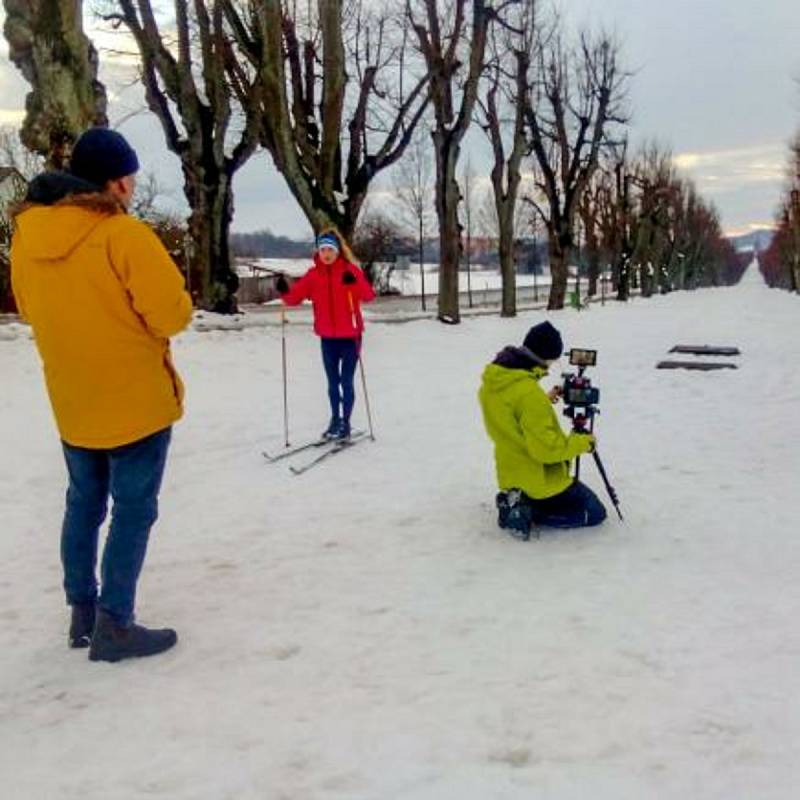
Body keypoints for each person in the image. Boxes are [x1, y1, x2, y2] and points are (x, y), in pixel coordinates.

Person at [10, 127, 193, 662]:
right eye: (129, 178)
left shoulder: (27, 236)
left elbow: (26, 306)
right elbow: (172, 314)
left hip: (71, 398)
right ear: (112, 182)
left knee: (83, 503)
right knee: (133, 510)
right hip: (135, 400)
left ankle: (82, 612)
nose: (132, 188)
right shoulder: (123, 235)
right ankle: (115, 623)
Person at [478, 321, 607, 539]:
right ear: (545, 356)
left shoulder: (495, 382)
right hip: (540, 480)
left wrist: (543, 401)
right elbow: (547, 450)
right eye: (554, 359)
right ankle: (526, 511)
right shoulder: (529, 395)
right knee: (595, 512)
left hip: (510, 473)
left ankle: (515, 498)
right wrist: (582, 442)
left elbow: (511, 415)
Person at [276, 229, 375, 440]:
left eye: (330, 249)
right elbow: (294, 298)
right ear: (318, 253)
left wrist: (355, 281)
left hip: (351, 337)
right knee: (332, 383)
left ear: (337, 251)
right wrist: (284, 291)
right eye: (323, 250)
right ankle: (334, 419)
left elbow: (368, 296)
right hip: (328, 338)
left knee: (346, 381)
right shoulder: (313, 276)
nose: (327, 254)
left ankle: (345, 423)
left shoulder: (350, 270)